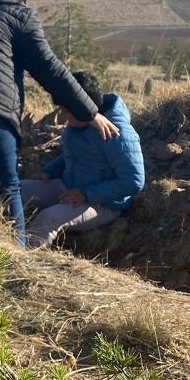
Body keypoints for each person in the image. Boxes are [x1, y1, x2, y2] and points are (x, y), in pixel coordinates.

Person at [0, 0, 119, 243]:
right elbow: (49, 68)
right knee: (7, 189)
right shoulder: (15, 14)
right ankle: (17, 262)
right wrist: (89, 111)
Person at [21, 71, 144, 249]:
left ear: (83, 106)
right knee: (14, 191)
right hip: (68, 186)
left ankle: (23, 264)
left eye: (67, 111)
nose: (63, 118)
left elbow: (133, 181)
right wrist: (49, 171)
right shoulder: (79, 123)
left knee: (48, 218)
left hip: (103, 203)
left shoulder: (118, 134)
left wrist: (86, 194)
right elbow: (73, 155)